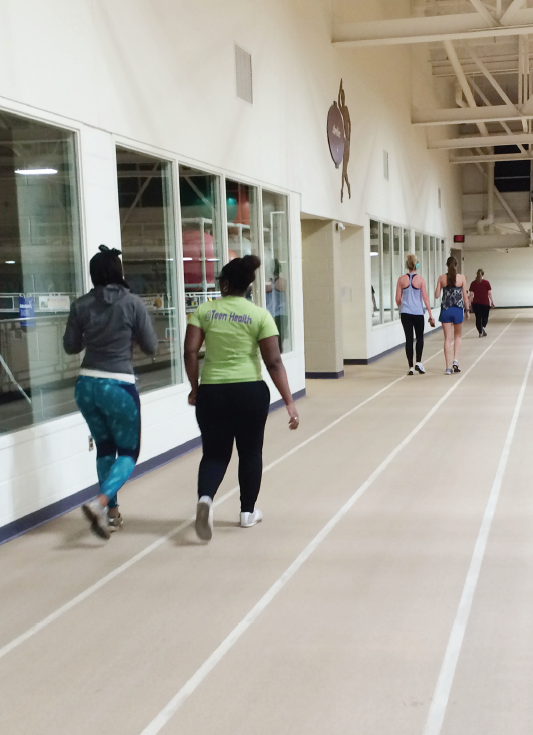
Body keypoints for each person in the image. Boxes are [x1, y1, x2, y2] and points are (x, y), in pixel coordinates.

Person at [184, 254, 299, 542]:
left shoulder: (205, 311)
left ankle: (206, 500)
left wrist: (195, 388)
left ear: (224, 284)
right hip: (249, 391)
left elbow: (189, 352)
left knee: (214, 453)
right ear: (249, 285)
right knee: (250, 452)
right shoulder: (260, 315)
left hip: (213, 391)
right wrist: (289, 401)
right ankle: (247, 512)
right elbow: (273, 362)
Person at [63, 245, 158, 539]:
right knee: (129, 452)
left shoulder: (80, 305)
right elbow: (152, 346)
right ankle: (100, 502)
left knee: (105, 448)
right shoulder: (133, 304)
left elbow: (71, 346)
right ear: (119, 272)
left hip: (86, 385)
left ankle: (111, 514)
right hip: (118, 385)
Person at [395, 253, 435, 375]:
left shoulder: (401, 279)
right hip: (418, 313)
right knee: (419, 338)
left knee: (408, 339)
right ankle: (418, 362)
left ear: (407, 265)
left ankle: (411, 367)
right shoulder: (420, 279)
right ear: (417, 265)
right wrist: (430, 314)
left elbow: (397, 298)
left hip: (405, 313)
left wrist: (402, 306)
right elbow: (425, 298)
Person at [435, 256, 469, 375]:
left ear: (446, 265)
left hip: (446, 310)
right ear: (456, 265)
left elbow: (436, 295)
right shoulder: (462, 278)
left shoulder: (442, 278)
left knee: (447, 339)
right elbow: (465, 296)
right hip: (457, 310)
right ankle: (455, 360)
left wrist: (439, 285)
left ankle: (448, 367)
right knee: (458, 337)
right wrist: (468, 310)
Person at [265, 259, 288, 352]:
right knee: (277, 342)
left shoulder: (271, 283)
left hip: (277, 315)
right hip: (277, 315)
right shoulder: (279, 282)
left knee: (275, 342)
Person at [469, 268, 494, 337]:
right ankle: (483, 327)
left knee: (478, 318)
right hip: (485, 303)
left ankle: (480, 332)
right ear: (483, 274)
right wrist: (492, 301)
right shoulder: (487, 283)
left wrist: (469, 303)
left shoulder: (473, 283)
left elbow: (471, 295)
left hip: (476, 303)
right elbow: (489, 293)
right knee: (485, 317)